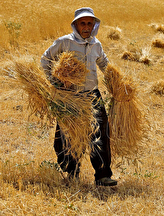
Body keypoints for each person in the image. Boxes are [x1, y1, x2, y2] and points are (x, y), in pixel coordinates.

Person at [41, 7, 117, 186]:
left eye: (90, 24)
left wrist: (116, 82)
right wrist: (55, 82)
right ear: (75, 25)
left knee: (100, 133)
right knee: (68, 135)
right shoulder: (64, 42)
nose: (86, 27)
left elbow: (104, 63)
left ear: (94, 26)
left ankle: (103, 175)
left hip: (92, 95)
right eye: (82, 23)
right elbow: (45, 59)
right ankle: (71, 172)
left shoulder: (96, 44)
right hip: (70, 96)